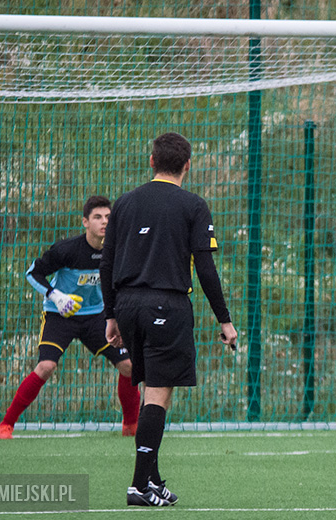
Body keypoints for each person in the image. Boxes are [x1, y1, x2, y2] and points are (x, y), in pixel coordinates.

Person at [99, 132, 238, 507]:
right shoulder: (193, 205)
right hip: (166, 306)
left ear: (151, 161)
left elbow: (107, 264)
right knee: (159, 394)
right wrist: (224, 320)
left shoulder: (125, 203)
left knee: (152, 393)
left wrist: (110, 315)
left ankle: (154, 479)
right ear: (187, 165)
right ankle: (138, 486)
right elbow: (205, 268)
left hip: (127, 306)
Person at [0, 196, 141, 439]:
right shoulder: (67, 250)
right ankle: (6, 424)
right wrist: (55, 296)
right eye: (97, 217)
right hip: (60, 316)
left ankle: (131, 425)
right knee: (46, 367)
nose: (104, 222)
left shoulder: (118, 251)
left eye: (108, 217)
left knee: (129, 367)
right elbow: (33, 273)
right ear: (85, 222)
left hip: (97, 318)